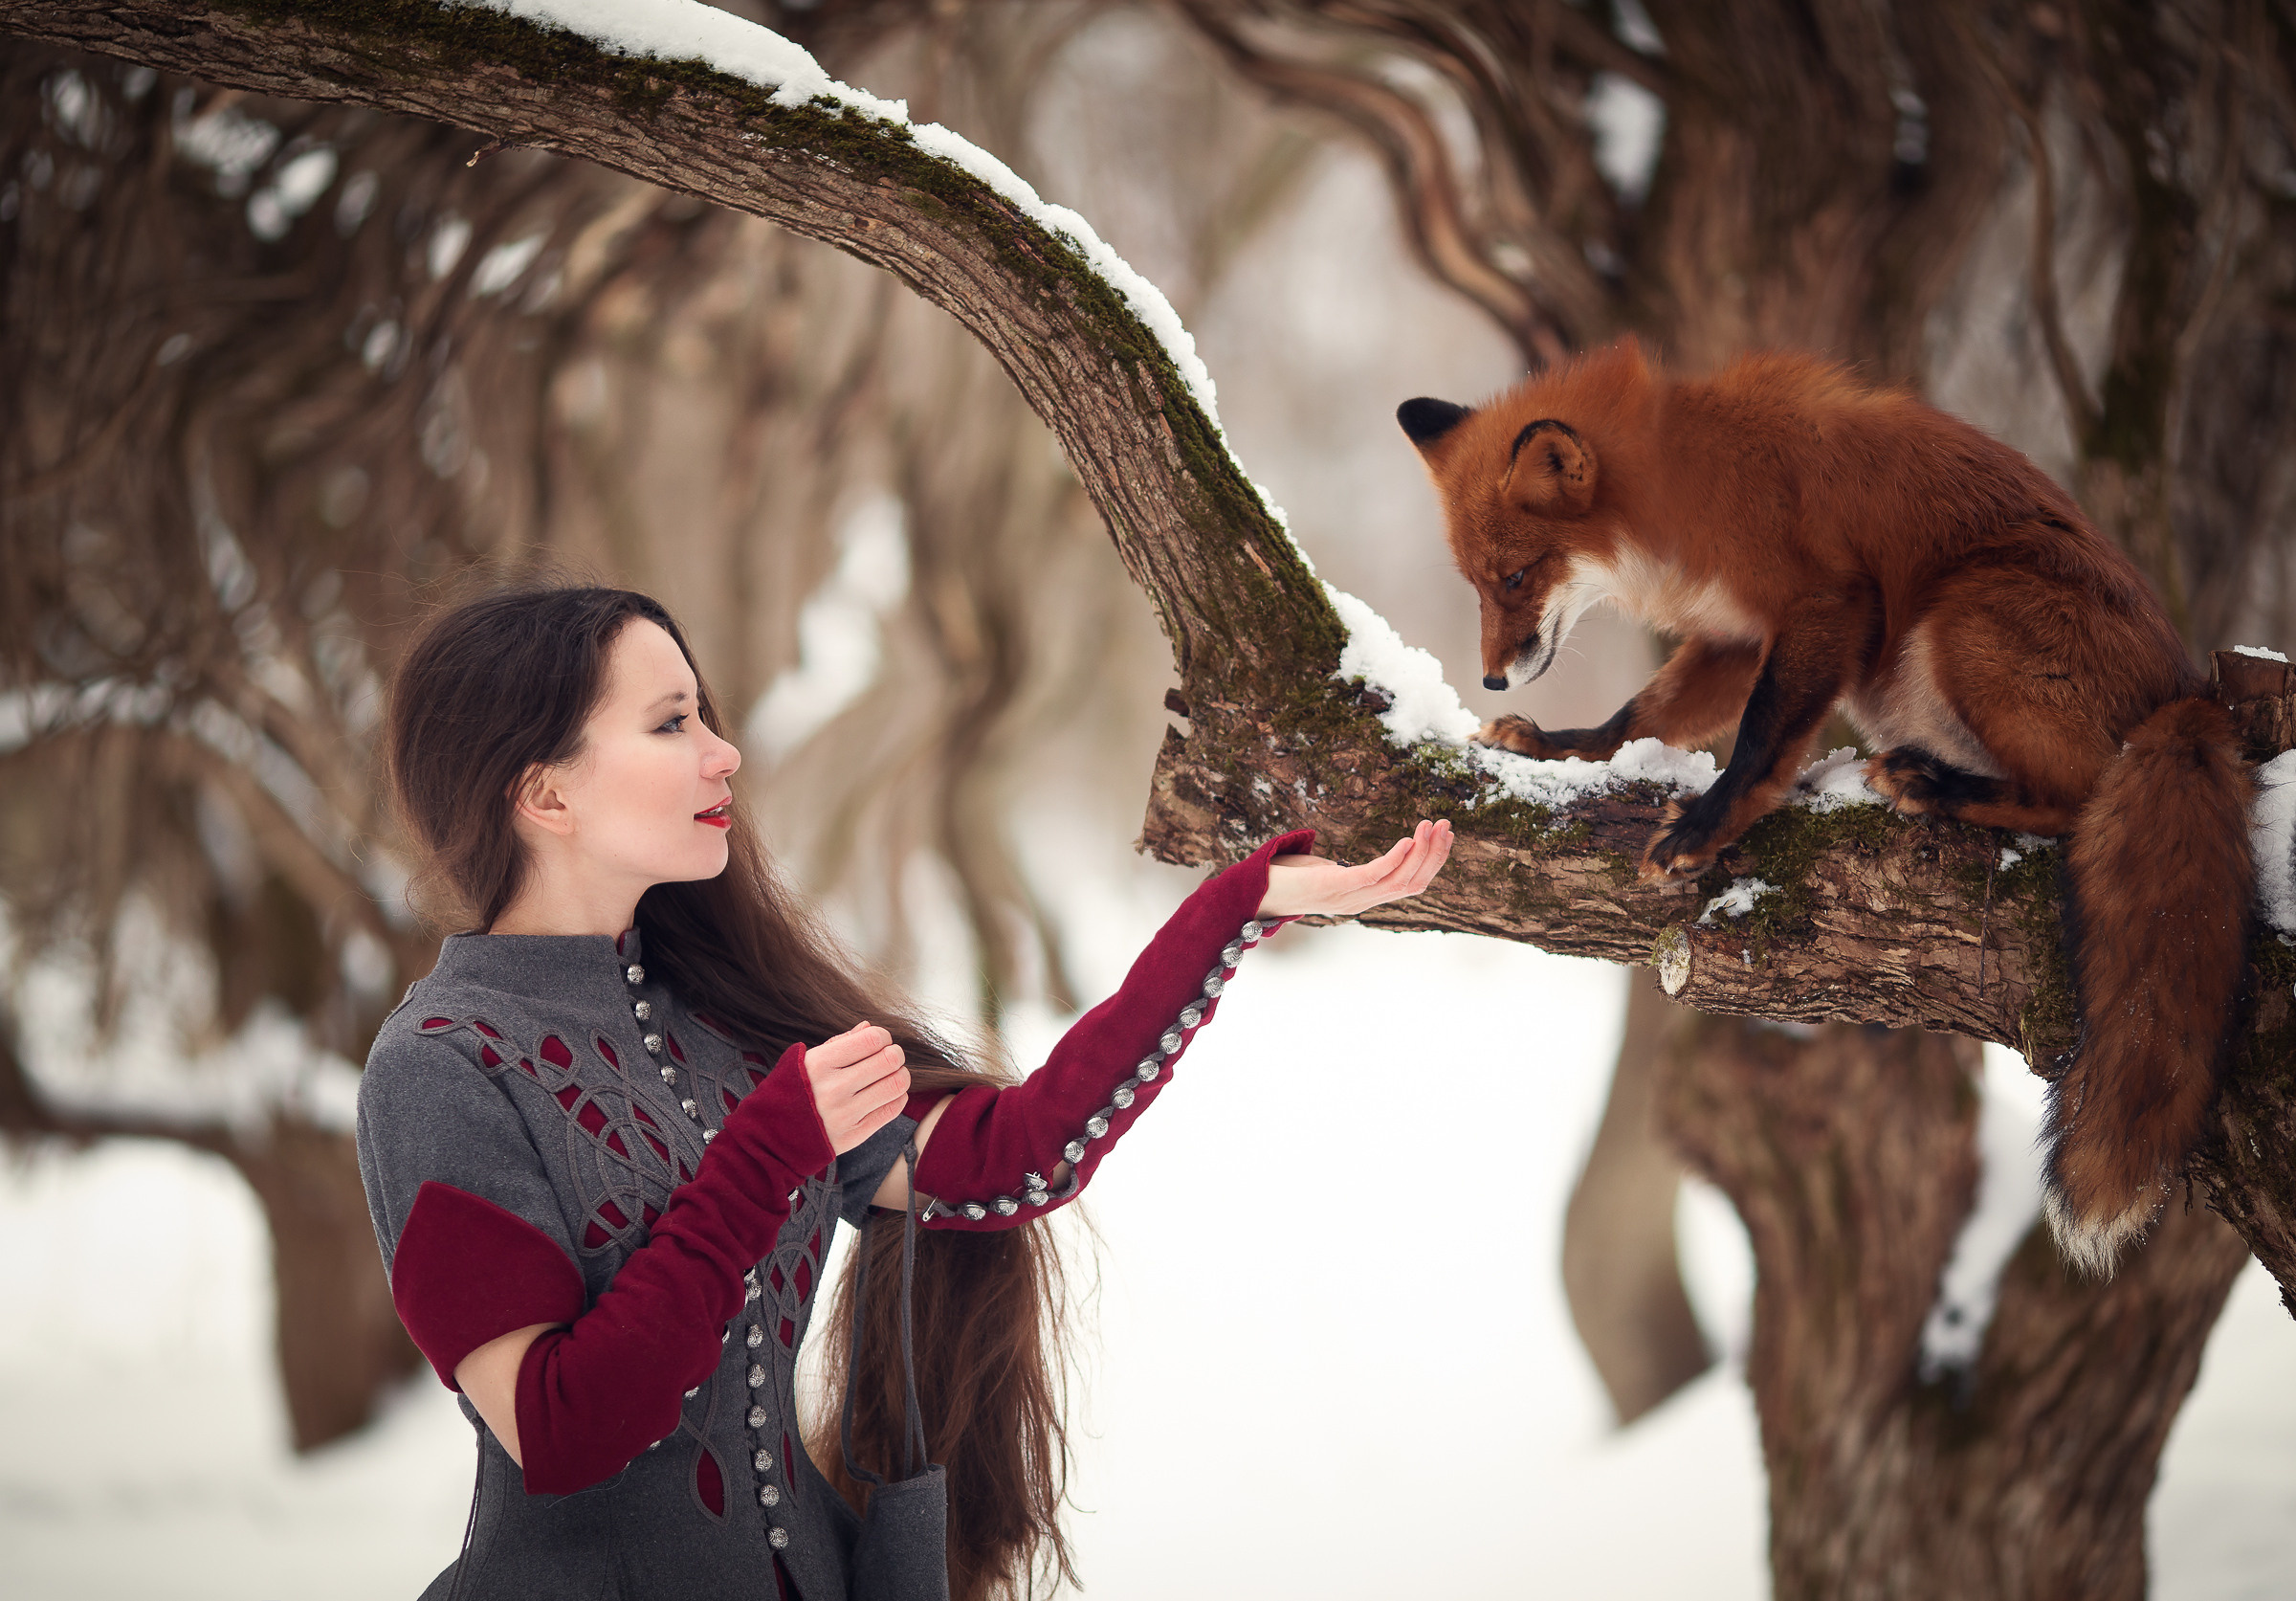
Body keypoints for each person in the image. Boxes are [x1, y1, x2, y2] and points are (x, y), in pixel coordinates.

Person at [356, 584, 1453, 1601]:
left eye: (704, 716)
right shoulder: (442, 1065)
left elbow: (1017, 1155)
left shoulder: (722, 1020)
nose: (723, 751)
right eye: (672, 722)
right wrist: (768, 1151)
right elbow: (561, 1430)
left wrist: (1235, 909)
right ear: (545, 791)